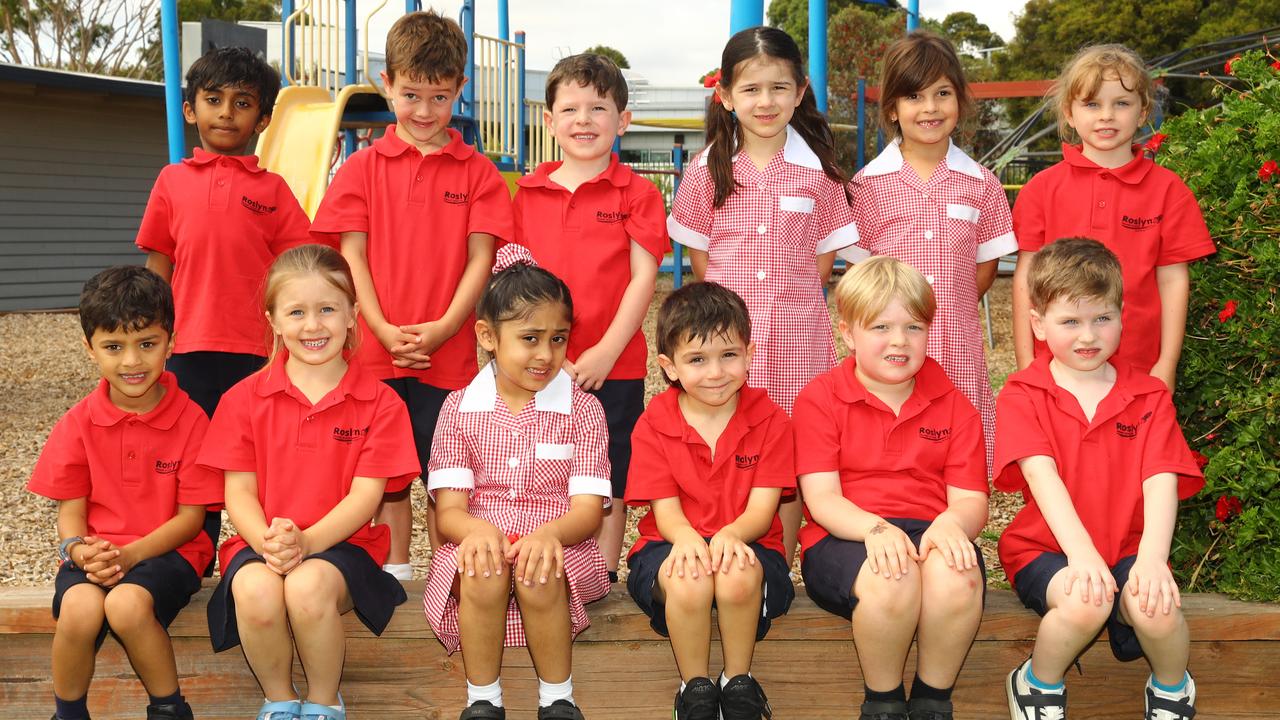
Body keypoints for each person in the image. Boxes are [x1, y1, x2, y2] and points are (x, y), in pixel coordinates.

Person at [311, 10, 515, 579]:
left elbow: (483, 258)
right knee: (379, 470)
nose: (424, 112)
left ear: (461, 91)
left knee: (443, 471)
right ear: (386, 84)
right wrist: (377, 327)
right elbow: (349, 256)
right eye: (411, 95)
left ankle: (444, 572)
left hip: (447, 358)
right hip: (373, 353)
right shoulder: (359, 168)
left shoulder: (479, 173)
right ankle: (393, 569)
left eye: (440, 97)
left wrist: (446, 327)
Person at [199, 245, 419, 720]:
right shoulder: (242, 399)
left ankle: (324, 702)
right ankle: (279, 700)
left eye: (327, 310)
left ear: (353, 315)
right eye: (296, 312)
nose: (313, 326)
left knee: (305, 587)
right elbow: (237, 491)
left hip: (344, 546)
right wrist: (269, 543)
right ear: (274, 320)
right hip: (262, 542)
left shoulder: (381, 403)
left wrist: (307, 542)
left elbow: (368, 496)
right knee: (256, 592)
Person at [667, 24, 860, 563]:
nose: (765, 101)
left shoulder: (818, 173)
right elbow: (704, 263)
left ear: (799, 92)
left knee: (793, 451)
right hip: (725, 346)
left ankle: (781, 561)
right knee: (733, 445)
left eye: (779, 88)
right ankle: (725, 547)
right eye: (750, 90)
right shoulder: (708, 171)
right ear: (726, 96)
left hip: (798, 339)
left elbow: (823, 261)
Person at [997, 238, 1203, 720]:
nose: (1087, 335)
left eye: (1101, 318)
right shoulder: (1024, 393)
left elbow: (1160, 480)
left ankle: (1172, 691)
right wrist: (1082, 554)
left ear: (1121, 316)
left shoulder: (1148, 395)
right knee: (1085, 599)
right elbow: (1041, 477)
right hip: (1047, 549)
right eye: (1070, 321)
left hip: (1128, 549)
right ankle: (1036, 684)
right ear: (1038, 325)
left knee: (1156, 607)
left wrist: (1152, 560)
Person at [794, 257, 988, 720]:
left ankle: (931, 700)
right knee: (891, 577)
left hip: (930, 526)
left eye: (914, 327)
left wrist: (950, 523)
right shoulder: (821, 398)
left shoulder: (954, 403)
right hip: (847, 534)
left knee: (957, 577)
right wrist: (876, 530)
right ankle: (882, 703)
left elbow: (972, 500)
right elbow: (821, 499)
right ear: (848, 333)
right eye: (881, 326)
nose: (899, 341)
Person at [422, 246, 611, 720]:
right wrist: (477, 532)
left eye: (559, 338)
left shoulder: (583, 410)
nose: (546, 355)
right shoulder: (459, 408)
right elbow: (449, 513)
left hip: (561, 545)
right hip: (477, 542)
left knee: (536, 563)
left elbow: (588, 512)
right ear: (488, 336)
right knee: (482, 566)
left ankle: (558, 698)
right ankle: (482, 699)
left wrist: (548, 535)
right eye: (530, 338)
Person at [29, 266, 223, 720]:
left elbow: (191, 520)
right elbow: (71, 515)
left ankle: (170, 708)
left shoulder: (193, 420)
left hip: (170, 551)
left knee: (126, 603)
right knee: (78, 606)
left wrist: (130, 555)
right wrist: (77, 551)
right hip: (97, 552)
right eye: (114, 347)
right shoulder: (77, 423)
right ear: (90, 349)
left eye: (147, 344)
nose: (132, 361)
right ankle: (68, 714)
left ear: (171, 342)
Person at [512, 52, 670, 583]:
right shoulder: (525, 193)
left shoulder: (639, 194)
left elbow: (642, 279)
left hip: (614, 363)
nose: (584, 120)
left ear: (622, 121)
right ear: (549, 120)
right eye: (571, 108)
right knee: (538, 461)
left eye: (598, 108)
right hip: (536, 363)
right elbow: (513, 282)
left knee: (610, 468)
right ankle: (542, 565)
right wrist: (543, 355)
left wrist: (603, 351)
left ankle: (598, 577)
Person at [625, 281, 795, 720]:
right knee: (688, 575)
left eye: (728, 355)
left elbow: (761, 511)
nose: (716, 372)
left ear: (750, 354)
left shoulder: (771, 420)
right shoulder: (654, 423)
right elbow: (665, 512)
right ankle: (695, 687)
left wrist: (732, 535)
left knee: (736, 570)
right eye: (697, 360)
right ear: (670, 366)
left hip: (752, 544)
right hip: (670, 543)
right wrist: (686, 540)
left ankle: (739, 682)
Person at [849, 30, 1017, 470]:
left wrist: (946, 310)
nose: (929, 108)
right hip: (887, 351)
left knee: (956, 462)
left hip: (958, 346)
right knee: (890, 456)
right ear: (892, 108)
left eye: (942, 93)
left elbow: (984, 270)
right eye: (914, 96)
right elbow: (861, 280)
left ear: (960, 100)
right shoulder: (867, 186)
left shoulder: (982, 185)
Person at [1011, 45, 1214, 391]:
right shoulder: (1041, 189)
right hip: (1055, 367)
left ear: (1143, 112)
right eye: (1092, 104)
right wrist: (1027, 363)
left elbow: (1173, 282)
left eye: (1121, 103)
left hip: (1139, 369)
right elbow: (1024, 281)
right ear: (1069, 113)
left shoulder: (1169, 190)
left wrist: (1166, 364)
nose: (1106, 115)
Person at [136, 46, 314, 418]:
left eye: (242, 103)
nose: (226, 113)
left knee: (247, 447)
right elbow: (159, 265)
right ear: (190, 110)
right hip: (185, 344)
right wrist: (152, 332)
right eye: (213, 99)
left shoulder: (274, 189)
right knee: (190, 442)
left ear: (263, 119)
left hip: (256, 346)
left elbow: (300, 269)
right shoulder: (171, 181)